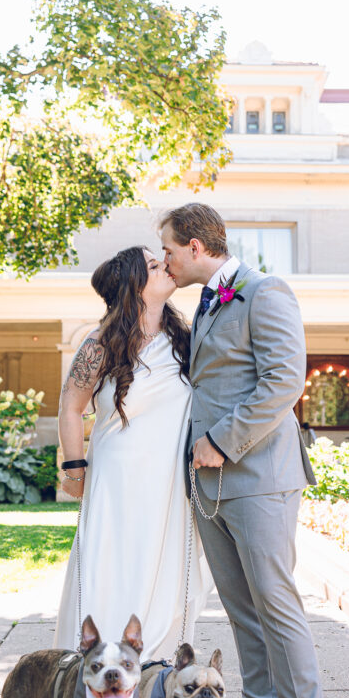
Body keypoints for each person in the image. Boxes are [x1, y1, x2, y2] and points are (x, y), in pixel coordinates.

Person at [160, 203, 333, 698]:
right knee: (243, 615)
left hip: (260, 479)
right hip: (208, 488)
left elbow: (285, 380)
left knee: (279, 612)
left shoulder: (264, 291)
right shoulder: (204, 303)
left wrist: (220, 441)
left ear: (197, 246)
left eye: (170, 251)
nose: (166, 261)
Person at [54, 245, 212, 661]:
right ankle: (95, 661)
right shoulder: (100, 342)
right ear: (134, 286)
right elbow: (70, 406)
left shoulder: (186, 340)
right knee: (112, 564)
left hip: (169, 480)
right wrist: (74, 470)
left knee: (167, 571)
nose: (166, 268)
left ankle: (155, 664)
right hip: (117, 478)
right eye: (155, 266)